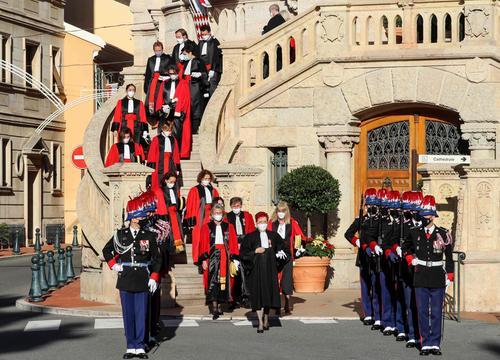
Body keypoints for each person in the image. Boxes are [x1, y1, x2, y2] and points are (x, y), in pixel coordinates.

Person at [102, 191, 161, 360]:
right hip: (126, 277)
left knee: (141, 313)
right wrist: (114, 265)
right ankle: (131, 345)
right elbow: (107, 250)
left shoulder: (149, 235)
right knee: (128, 314)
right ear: (133, 217)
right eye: (139, 216)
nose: (142, 218)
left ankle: (140, 347)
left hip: (142, 277)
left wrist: (154, 277)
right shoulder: (121, 235)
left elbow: (157, 258)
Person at [404, 195, 454, 356]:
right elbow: (406, 248)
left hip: (437, 276)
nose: (424, 217)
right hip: (420, 275)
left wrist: (450, 276)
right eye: (422, 214)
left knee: (437, 311)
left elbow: (449, 257)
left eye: (427, 214)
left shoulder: (443, 233)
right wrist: (411, 259)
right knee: (423, 311)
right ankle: (425, 342)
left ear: (433, 215)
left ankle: (435, 343)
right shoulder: (414, 232)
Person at [240, 212, 289, 333]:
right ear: (256, 223)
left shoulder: (274, 235)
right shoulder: (250, 237)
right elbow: (243, 254)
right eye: (260, 222)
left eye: (264, 221)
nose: (262, 224)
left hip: (270, 271)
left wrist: (280, 255)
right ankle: (260, 323)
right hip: (256, 272)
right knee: (258, 297)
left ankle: (266, 318)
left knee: (268, 296)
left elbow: (283, 249)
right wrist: (255, 251)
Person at [344, 188, 381, 328]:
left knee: (376, 287)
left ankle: (378, 315)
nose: (371, 208)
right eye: (369, 205)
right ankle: (368, 314)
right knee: (365, 287)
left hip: (376, 258)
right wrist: (356, 241)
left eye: (373, 205)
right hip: (364, 258)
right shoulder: (361, 220)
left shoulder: (380, 221)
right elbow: (348, 234)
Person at [197, 204, 239, 319]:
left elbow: (233, 243)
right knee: (213, 282)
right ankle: (214, 308)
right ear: (211, 215)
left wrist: (234, 259)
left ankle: (220, 305)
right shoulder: (206, 227)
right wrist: (204, 260)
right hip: (212, 258)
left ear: (223, 214)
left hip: (225, 257)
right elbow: (203, 245)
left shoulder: (229, 227)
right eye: (215, 213)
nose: (218, 215)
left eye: (219, 213)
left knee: (223, 282)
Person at [268, 201, 305, 315]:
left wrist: (297, 249)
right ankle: (277, 305)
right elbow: (267, 237)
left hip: (288, 254)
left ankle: (287, 304)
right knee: (275, 280)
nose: (281, 213)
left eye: (283, 211)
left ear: (286, 212)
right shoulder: (271, 223)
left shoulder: (292, 223)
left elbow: (299, 236)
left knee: (287, 280)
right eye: (279, 211)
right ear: (276, 212)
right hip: (274, 255)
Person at [185, 170, 219, 264]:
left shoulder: (213, 190)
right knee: (198, 238)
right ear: (200, 179)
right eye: (205, 178)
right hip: (199, 216)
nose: (207, 180)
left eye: (208, 179)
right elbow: (190, 206)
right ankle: (197, 259)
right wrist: (191, 222)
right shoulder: (194, 190)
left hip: (211, 215)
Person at [226, 197, 255, 307]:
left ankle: (246, 297)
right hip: (233, 248)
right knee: (234, 273)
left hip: (245, 247)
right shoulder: (227, 217)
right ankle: (234, 299)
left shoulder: (247, 216)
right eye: (234, 206)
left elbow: (251, 231)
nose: (236, 208)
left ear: (241, 206)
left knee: (246, 272)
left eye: (238, 206)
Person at [159, 64, 191, 158]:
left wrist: (181, 111)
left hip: (178, 112)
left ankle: (176, 153)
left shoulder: (183, 83)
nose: (172, 75)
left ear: (177, 73)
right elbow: (160, 97)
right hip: (166, 112)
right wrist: (162, 107)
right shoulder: (164, 83)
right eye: (170, 73)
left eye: (174, 73)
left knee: (177, 134)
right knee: (164, 132)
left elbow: (186, 99)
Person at [153, 172, 185, 255]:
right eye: (171, 182)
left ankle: (177, 249)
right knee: (169, 234)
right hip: (166, 215)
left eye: (174, 182)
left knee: (177, 232)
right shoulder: (161, 190)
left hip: (175, 214)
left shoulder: (175, 190)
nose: (172, 184)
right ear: (166, 180)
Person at [181, 40, 209, 134]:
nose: (184, 56)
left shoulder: (199, 61)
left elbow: (205, 74)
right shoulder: (185, 63)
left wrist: (200, 74)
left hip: (195, 88)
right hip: (185, 87)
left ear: (190, 53)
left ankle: (194, 128)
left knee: (195, 107)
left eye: (185, 54)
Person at [146, 118, 181, 190]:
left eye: (170, 130)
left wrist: (177, 168)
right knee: (158, 184)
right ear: (163, 129)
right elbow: (151, 154)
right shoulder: (156, 139)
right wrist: (151, 169)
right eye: (167, 130)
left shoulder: (173, 140)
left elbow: (176, 154)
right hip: (159, 164)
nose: (169, 132)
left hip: (170, 165)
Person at [144, 41, 173, 119]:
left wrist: (165, 76)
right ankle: (153, 119)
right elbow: (148, 74)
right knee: (151, 102)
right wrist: (146, 88)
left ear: (162, 49)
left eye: (159, 50)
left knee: (160, 101)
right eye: (156, 50)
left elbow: (171, 70)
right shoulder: (150, 59)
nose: (158, 52)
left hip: (162, 83)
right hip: (152, 83)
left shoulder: (167, 58)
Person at [198, 24, 222, 96]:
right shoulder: (200, 43)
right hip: (203, 68)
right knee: (204, 88)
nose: (204, 36)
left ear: (209, 32)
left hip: (212, 68)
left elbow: (217, 56)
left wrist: (213, 69)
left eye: (205, 34)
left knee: (212, 87)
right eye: (202, 34)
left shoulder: (215, 42)